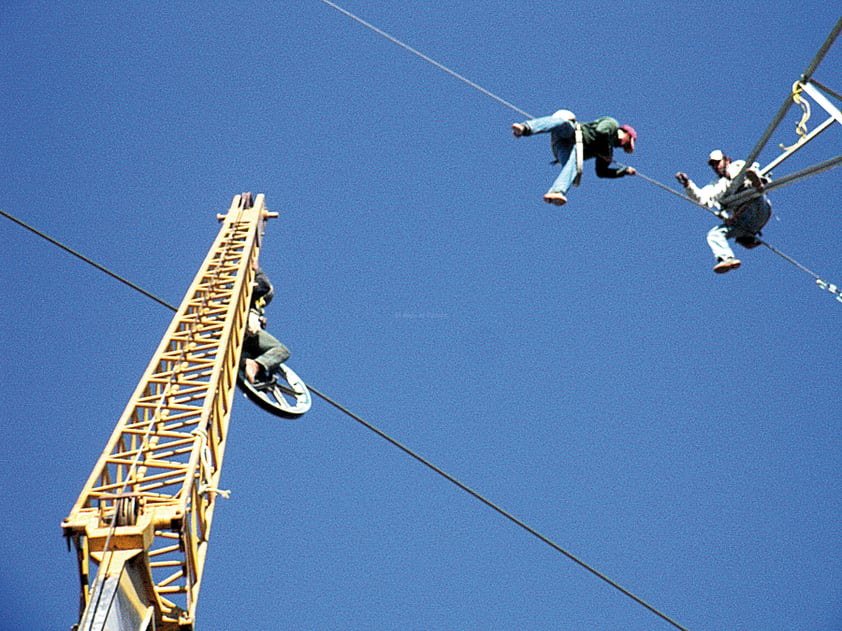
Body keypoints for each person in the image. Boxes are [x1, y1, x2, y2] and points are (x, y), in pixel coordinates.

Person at [511, 109, 637, 206]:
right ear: (626, 134)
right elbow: (601, 131)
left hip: (566, 148)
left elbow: (601, 172)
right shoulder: (612, 124)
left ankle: (556, 192)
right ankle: (525, 128)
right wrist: (605, 153)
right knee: (563, 123)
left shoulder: (607, 150)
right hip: (572, 133)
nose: (622, 146)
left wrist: (623, 171)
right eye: (627, 143)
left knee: (574, 166)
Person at [675, 150, 771, 274]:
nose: (715, 167)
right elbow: (702, 198)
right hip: (744, 221)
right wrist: (688, 185)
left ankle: (758, 183)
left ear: (727, 160)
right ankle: (727, 258)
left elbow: (745, 170)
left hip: (757, 205)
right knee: (714, 234)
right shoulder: (716, 185)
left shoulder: (738, 166)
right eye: (713, 165)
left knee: (750, 180)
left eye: (717, 163)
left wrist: (753, 181)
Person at [241, 264, 290, 384]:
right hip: (246, 333)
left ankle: (248, 365)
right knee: (281, 351)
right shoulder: (250, 294)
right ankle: (256, 365)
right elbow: (264, 286)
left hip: (235, 339)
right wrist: (258, 271)